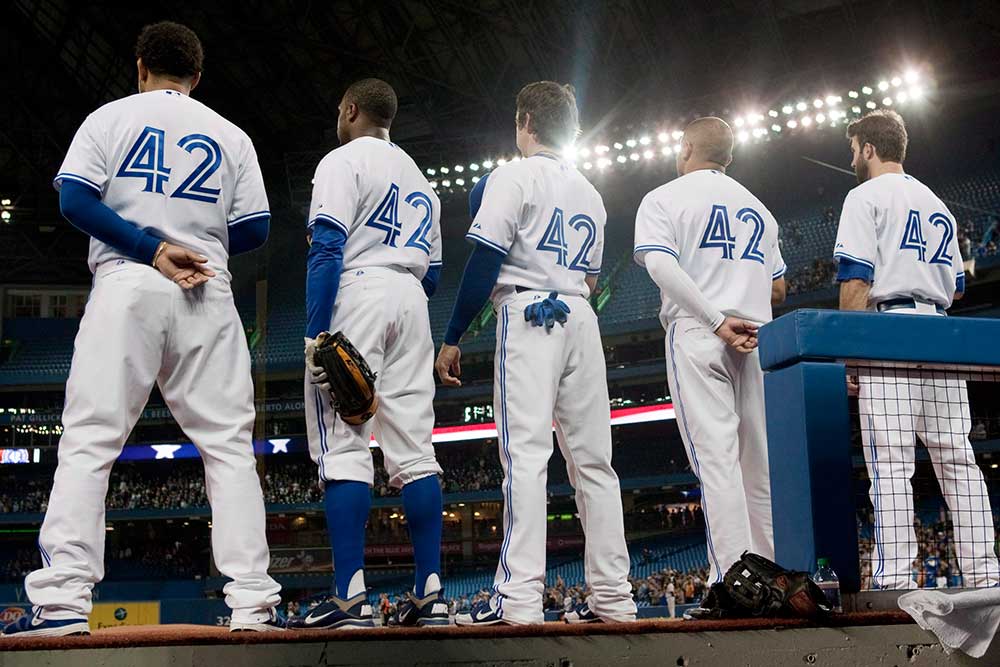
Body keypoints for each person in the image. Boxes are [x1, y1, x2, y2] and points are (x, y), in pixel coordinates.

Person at [1, 22, 283, 638]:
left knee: (90, 439)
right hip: (206, 286)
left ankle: (64, 604)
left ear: (139, 67)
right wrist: (194, 246)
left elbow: (74, 200)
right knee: (230, 448)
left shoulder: (110, 116)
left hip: (130, 280)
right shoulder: (231, 135)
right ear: (197, 76)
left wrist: (151, 247)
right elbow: (258, 228)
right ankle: (253, 604)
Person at [437, 81, 635, 626]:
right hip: (579, 315)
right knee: (595, 462)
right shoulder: (591, 191)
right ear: (570, 130)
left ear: (525, 121)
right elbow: (593, 277)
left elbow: (484, 260)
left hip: (527, 313)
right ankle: (614, 598)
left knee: (524, 458)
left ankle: (518, 598)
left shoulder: (512, 174)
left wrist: (453, 335)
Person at [290, 78, 447, 630]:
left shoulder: (343, 159)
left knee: (344, 445)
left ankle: (350, 598)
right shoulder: (421, 179)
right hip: (412, 297)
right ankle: (431, 592)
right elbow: (438, 271)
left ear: (350, 109)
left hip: (358, 289)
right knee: (415, 450)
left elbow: (328, 247)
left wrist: (315, 336)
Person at [833, 109, 999, 589]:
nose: (853, 157)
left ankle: (895, 579)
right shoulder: (936, 202)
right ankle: (986, 574)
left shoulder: (864, 195)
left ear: (868, 148)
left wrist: (852, 353)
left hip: (891, 329)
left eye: (854, 149)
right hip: (941, 331)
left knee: (891, 464)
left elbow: (856, 282)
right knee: (958, 460)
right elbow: (960, 286)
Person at [633, 117, 786, 589]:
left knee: (717, 462)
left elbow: (659, 263)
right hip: (757, 336)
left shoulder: (663, 197)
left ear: (685, 147)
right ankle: (771, 575)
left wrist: (717, 320)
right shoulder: (759, 208)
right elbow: (779, 287)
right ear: (730, 156)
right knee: (757, 465)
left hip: (703, 332)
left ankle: (736, 581)